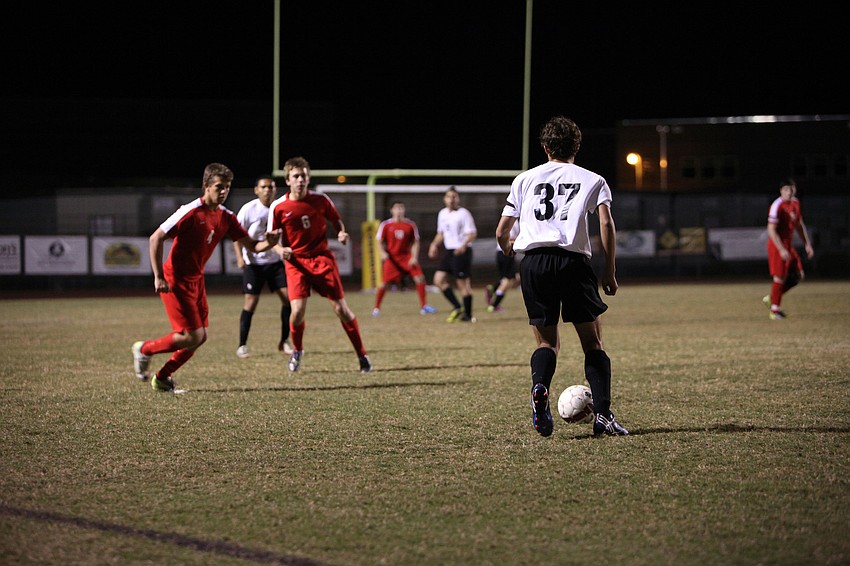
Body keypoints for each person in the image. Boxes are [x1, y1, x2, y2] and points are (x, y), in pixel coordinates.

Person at [496, 115, 628, 437]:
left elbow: (502, 231)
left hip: (534, 263)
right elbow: (606, 224)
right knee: (592, 342)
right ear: (577, 147)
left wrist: (509, 248)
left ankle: (539, 386)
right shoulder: (593, 179)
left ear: (544, 147)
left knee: (546, 342)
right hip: (573, 263)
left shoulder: (524, 180)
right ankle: (604, 416)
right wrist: (608, 269)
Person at [132, 163, 280, 392]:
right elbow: (155, 238)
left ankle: (162, 378)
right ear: (206, 186)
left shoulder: (226, 217)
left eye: (227, 187)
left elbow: (252, 246)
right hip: (176, 280)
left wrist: (269, 243)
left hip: (197, 281)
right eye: (219, 187)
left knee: (200, 337)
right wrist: (158, 276)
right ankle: (144, 350)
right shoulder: (189, 211)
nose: (223, 192)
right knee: (193, 336)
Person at [268, 156, 371, 373]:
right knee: (296, 312)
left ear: (309, 177)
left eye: (304, 175)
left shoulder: (321, 200)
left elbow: (336, 220)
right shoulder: (278, 207)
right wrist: (280, 250)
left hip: (322, 259)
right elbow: (272, 240)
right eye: (296, 176)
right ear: (288, 180)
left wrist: (341, 232)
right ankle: (297, 349)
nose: (300, 180)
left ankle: (362, 355)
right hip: (296, 262)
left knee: (341, 309)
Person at [233, 174, 293, 359]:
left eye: (271, 187)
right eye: (264, 187)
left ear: (275, 190)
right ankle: (242, 345)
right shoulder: (248, 209)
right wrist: (240, 258)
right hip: (254, 264)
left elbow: (280, 236)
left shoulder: (279, 207)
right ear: (256, 190)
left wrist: (282, 250)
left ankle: (284, 342)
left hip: (274, 263)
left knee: (289, 301)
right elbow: (237, 234)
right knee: (251, 303)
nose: (267, 190)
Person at [372, 201, 437, 317]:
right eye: (397, 208)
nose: (399, 211)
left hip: (406, 257)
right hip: (392, 259)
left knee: (420, 278)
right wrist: (382, 253)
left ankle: (424, 306)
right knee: (384, 284)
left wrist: (414, 257)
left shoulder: (410, 225)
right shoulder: (386, 225)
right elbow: (379, 241)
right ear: (392, 210)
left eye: (401, 208)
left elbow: (415, 242)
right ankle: (376, 308)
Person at [763, 178, 814, 320]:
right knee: (780, 277)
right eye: (786, 189)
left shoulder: (796, 203)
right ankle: (774, 311)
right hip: (777, 245)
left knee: (798, 275)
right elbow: (771, 230)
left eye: (791, 189)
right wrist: (780, 249)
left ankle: (772, 297)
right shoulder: (777, 206)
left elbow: (799, 224)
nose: (789, 192)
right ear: (781, 191)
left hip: (788, 245)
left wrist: (807, 244)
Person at [427, 186, 477, 322]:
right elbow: (441, 233)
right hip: (449, 252)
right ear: (445, 199)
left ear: (458, 198)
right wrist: (434, 244)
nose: (451, 199)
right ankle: (457, 306)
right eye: (449, 197)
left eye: (454, 197)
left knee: (463, 285)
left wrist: (463, 246)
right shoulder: (442, 213)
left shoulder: (463, 213)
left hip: (461, 251)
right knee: (438, 280)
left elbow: (472, 233)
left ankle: (468, 315)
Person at [485, 221, 521, 313]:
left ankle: (492, 288)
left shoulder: (510, 219)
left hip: (501, 252)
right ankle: (494, 305)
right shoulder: (513, 221)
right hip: (506, 252)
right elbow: (510, 238)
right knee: (509, 280)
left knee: (509, 278)